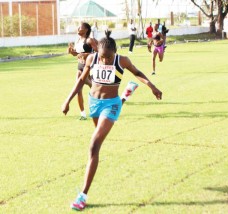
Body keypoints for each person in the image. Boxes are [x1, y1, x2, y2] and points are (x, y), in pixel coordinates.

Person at [61, 30, 162, 211]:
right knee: (97, 141)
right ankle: (126, 96)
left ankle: (82, 195)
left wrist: (152, 86)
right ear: (97, 52)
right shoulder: (92, 59)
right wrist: (67, 100)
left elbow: (137, 72)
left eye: (108, 57)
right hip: (94, 104)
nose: (106, 60)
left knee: (94, 146)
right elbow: (81, 81)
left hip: (110, 105)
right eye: (102, 57)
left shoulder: (121, 60)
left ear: (114, 53)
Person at [67, 22, 98, 120]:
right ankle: (83, 114)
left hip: (89, 66)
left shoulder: (89, 40)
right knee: (78, 90)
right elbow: (77, 54)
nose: (78, 29)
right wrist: (72, 52)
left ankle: (96, 89)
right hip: (80, 66)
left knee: (81, 83)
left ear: (86, 30)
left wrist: (86, 54)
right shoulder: (78, 40)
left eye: (80, 27)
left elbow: (98, 53)